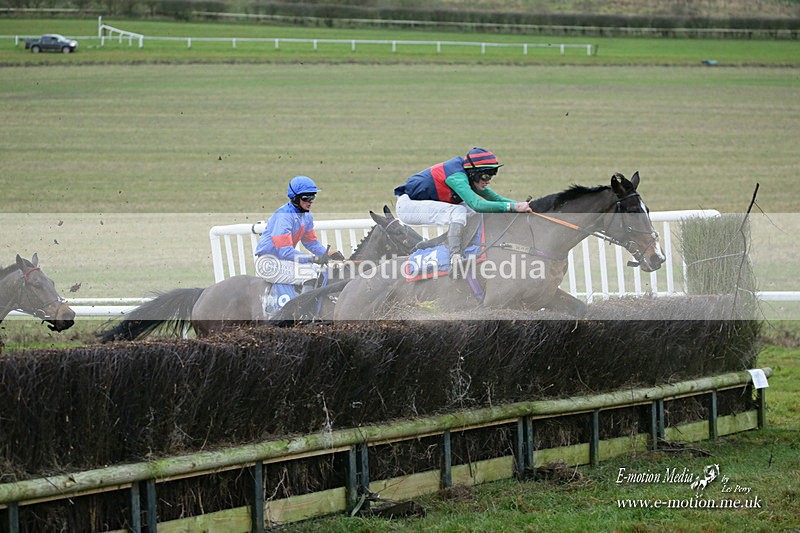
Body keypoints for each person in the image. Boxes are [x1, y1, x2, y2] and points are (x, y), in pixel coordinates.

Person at [393, 147, 530, 265]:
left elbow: (496, 199)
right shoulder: (457, 178)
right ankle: (455, 257)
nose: (488, 181)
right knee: (459, 211)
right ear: (473, 173)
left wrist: (522, 206)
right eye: (485, 177)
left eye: (490, 177)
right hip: (408, 207)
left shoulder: (468, 174)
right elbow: (478, 205)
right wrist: (512, 207)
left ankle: (432, 244)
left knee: (471, 214)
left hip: (419, 203)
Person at [254, 175, 344, 293]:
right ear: (295, 198)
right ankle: (303, 305)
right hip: (268, 263)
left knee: (323, 272)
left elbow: (311, 243)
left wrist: (327, 254)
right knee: (309, 274)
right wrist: (314, 259)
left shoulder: (307, 216)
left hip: (285, 262)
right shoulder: (283, 216)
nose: (310, 201)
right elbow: (285, 252)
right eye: (306, 197)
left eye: (313, 196)